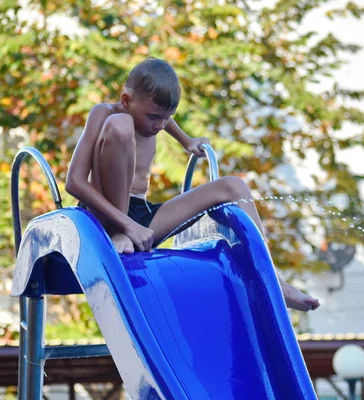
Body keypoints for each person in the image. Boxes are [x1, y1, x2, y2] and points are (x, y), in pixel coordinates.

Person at [66, 58, 319, 312]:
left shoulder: (154, 118)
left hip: (142, 218)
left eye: (167, 118)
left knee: (233, 187)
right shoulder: (107, 115)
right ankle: (120, 231)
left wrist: (186, 141)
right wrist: (126, 225)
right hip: (104, 217)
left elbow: (161, 116)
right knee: (121, 125)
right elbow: (73, 182)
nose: (160, 126)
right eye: (154, 117)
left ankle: (273, 280)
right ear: (126, 100)